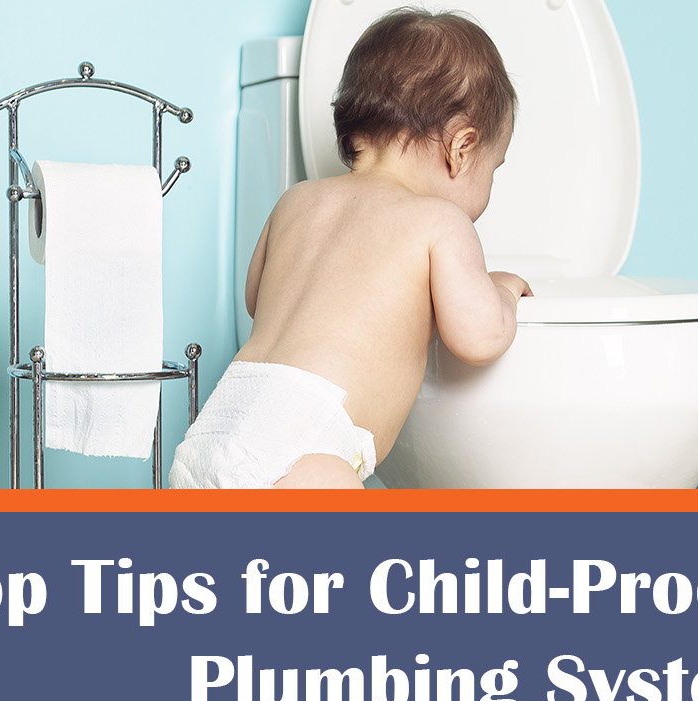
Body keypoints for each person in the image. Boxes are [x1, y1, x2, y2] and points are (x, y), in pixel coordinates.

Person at [170, 8, 531, 489]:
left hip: (215, 428)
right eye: (494, 169)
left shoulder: (296, 200)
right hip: (306, 455)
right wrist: (501, 290)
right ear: (461, 148)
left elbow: (256, 299)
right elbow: (480, 337)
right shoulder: (440, 221)